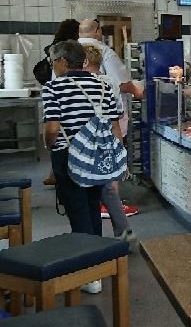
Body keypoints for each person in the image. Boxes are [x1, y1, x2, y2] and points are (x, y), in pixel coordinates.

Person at [42, 41, 121, 295]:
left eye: (53, 61)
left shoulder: (53, 87)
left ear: (63, 62)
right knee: (92, 206)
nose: (53, 66)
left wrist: (49, 145)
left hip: (68, 155)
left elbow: (53, 128)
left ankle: (89, 274)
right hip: (98, 154)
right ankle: (97, 263)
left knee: (77, 210)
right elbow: (114, 126)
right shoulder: (103, 85)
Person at [82, 45, 139, 246]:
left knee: (88, 194)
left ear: (84, 62)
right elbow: (116, 118)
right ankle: (124, 234)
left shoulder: (79, 85)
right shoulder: (110, 83)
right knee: (109, 190)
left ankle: (92, 242)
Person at [41, 18, 81, 186]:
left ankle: (55, 174)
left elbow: (52, 128)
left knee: (61, 132)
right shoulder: (72, 50)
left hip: (58, 89)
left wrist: (48, 144)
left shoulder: (56, 48)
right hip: (70, 89)